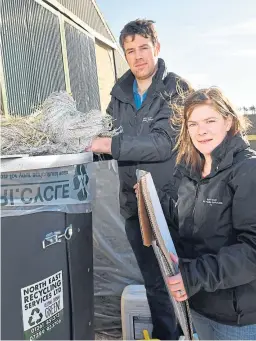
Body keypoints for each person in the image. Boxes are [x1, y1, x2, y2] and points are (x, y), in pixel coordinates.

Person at [88, 19, 190, 340]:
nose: (137, 56)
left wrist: (110, 145)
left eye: (143, 47)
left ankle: (193, 333)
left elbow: (162, 143)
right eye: (130, 50)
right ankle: (165, 334)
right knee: (153, 281)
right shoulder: (119, 94)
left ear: (156, 48)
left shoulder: (176, 88)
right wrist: (81, 148)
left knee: (182, 279)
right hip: (134, 207)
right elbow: (106, 137)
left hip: (170, 205)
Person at [165, 87, 256, 340]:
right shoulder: (188, 170)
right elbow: (181, 223)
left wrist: (192, 275)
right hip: (197, 305)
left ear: (228, 121)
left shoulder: (248, 170)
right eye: (192, 123)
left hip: (236, 319)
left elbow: (252, 251)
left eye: (210, 121)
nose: (200, 130)